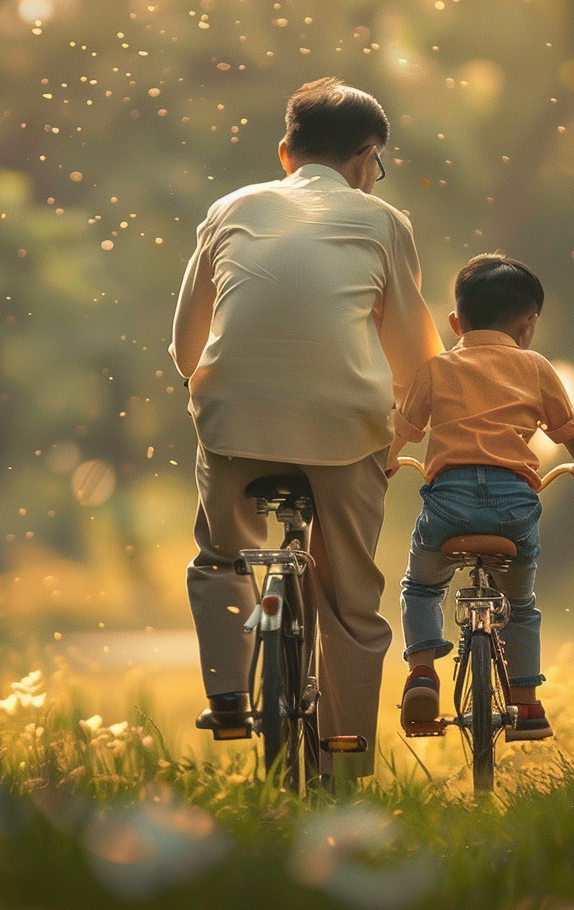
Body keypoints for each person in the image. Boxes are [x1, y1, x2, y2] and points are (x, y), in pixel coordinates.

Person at [170, 78, 441, 772]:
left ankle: (229, 696)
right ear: (365, 158)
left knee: (222, 558)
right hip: (344, 428)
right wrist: (408, 420)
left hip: (234, 424)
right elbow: (418, 358)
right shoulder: (383, 222)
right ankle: (344, 762)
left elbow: (184, 349)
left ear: (286, 153)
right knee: (351, 599)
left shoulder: (229, 208)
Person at [390, 253, 574, 741]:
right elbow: (568, 429)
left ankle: (422, 673)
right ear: (528, 325)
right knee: (519, 606)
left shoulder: (437, 368)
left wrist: (387, 460)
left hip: (447, 505)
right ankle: (527, 704)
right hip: (513, 507)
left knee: (422, 587)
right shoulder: (535, 367)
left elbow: (406, 428)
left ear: (456, 322)